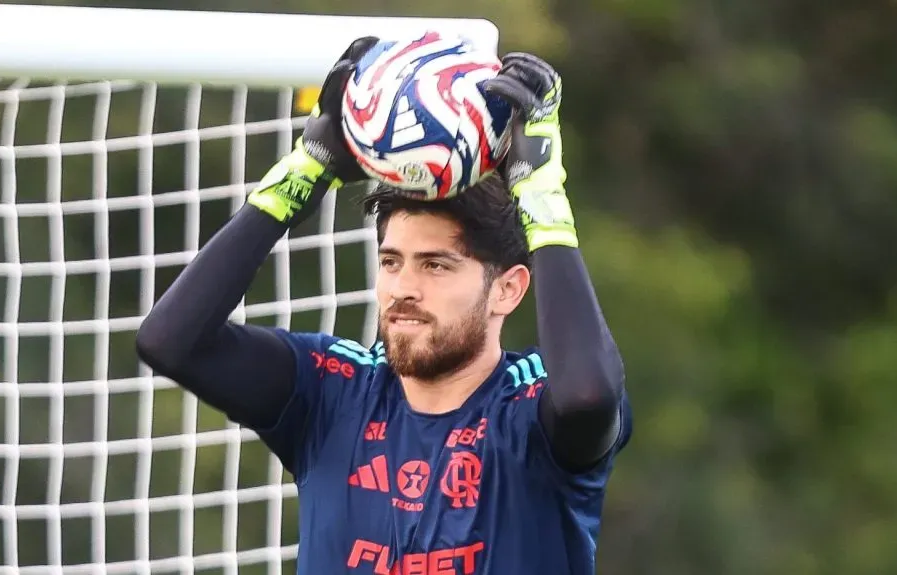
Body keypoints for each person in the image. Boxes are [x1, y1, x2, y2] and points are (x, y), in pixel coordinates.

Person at [136, 37, 632, 575]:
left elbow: (587, 397)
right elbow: (170, 341)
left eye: (435, 265)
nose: (403, 288)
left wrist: (541, 196)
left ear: (507, 290)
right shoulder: (332, 391)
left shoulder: (530, 408)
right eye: (392, 262)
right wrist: (303, 174)